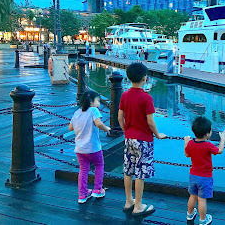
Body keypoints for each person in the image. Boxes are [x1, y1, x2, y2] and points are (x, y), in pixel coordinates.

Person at [118, 63, 167, 217]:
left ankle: (128, 201)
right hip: (144, 140)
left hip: (129, 138)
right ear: (145, 78)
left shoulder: (125, 95)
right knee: (140, 173)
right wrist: (158, 135)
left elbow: (120, 117)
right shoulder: (146, 97)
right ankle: (138, 205)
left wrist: (127, 131)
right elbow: (151, 122)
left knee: (128, 170)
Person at [69, 91, 111, 204]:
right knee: (99, 165)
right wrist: (106, 128)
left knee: (83, 170)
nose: (99, 103)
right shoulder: (94, 110)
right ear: (91, 101)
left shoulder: (76, 113)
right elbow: (98, 124)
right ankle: (97, 189)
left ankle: (82, 194)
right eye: (98, 100)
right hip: (93, 148)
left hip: (80, 149)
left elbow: (70, 128)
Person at [184, 117, 225, 224]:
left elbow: (187, 154)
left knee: (192, 196)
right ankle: (203, 220)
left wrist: (186, 141)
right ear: (207, 134)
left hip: (193, 176)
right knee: (202, 200)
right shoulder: (208, 145)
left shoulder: (191, 144)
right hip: (205, 177)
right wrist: (223, 139)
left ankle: (189, 215)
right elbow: (220, 150)